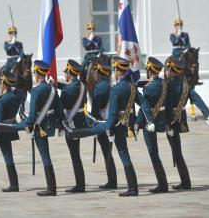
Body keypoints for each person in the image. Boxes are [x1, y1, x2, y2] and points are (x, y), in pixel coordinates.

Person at [67, 56, 152, 197]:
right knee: (124, 154)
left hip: (113, 125)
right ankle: (132, 187)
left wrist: (102, 127)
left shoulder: (115, 89)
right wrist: (150, 120)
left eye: (115, 69)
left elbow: (110, 116)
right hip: (123, 124)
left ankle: (132, 188)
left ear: (118, 71)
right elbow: (143, 103)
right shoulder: (131, 86)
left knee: (121, 153)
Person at [0, 60, 65, 196]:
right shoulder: (53, 89)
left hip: (39, 127)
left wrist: (23, 125)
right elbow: (59, 109)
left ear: (37, 73)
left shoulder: (36, 91)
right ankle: (52, 187)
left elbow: (31, 116)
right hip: (48, 125)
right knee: (46, 155)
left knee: (45, 156)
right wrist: (60, 124)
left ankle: (51, 189)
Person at [165, 58, 209, 190]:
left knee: (177, 152)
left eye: (167, 69)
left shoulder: (167, 83)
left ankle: (185, 182)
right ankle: (185, 181)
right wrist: (206, 113)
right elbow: (196, 98)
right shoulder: (185, 84)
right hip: (179, 120)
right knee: (177, 150)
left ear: (170, 69)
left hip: (168, 121)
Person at [135, 57, 169, 193]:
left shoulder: (148, 89)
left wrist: (137, 124)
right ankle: (163, 183)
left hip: (150, 124)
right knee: (156, 154)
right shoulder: (163, 84)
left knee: (153, 154)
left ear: (150, 70)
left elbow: (145, 109)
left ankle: (162, 185)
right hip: (161, 121)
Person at [57, 59, 87, 193]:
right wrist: (56, 85)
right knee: (77, 155)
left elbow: (60, 106)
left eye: (66, 73)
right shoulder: (82, 86)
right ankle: (81, 184)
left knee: (75, 156)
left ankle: (80, 186)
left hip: (71, 123)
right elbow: (69, 88)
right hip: (81, 122)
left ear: (70, 73)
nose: (65, 75)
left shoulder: (68, 89)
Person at [90, 59, 117, 189]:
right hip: (113, 122)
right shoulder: (111, 85)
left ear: (99, 73)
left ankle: (112, 181)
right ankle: (112, 180)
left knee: (107, 152)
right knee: (109, 152)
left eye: (95, 72)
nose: (94, 75)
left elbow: (95, 110)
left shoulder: (99, 87)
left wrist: (94, 127)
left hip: (102, 123)